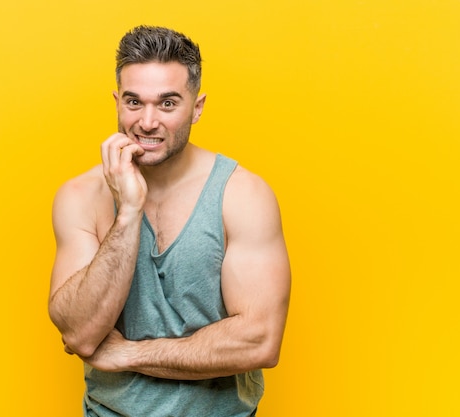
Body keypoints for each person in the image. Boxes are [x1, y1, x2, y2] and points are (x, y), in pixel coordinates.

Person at [48, 25, 291, 417]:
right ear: (116, 102)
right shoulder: (79, 197)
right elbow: (79, 332)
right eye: (133, 102)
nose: (146, 122)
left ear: (197, 106)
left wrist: (127, 354)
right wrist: (127, 213)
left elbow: (259, 342)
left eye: (167, 104)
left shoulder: (243, 195)